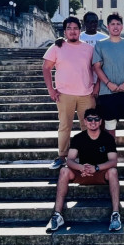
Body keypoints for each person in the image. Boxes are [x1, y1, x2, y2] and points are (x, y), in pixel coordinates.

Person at [46, 108, 121, 232]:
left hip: (100, 173)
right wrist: (81, 167)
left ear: (101, 121)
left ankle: (115, 214)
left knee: (113, 171)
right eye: (90, 119)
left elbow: (113, 161)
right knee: (64, 171)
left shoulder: (107, 138)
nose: (93, 122)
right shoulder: (78, 138)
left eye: (96, 119)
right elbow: (69, 160)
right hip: (83, 173)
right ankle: (57, 215)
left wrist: (96, 168)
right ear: (85, 121)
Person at [42, 16, 97, 170]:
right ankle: (61, 156)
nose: (72, 31)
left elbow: (97, 69)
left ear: (80, 30)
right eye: (69, 28)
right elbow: (46, 68)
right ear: (64, 31)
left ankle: (88, 156)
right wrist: (50, 89)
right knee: (65, 126)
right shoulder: (56, 47)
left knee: (88, 126)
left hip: (86, 93)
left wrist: (97, 86)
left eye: (75, 28)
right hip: (64, 94)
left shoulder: (89, 49)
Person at [92, 12, 124, 166]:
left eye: (118, 24)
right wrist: (108, 83)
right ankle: (111, 155)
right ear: (108, 27)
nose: (115, 27)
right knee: (109, 124)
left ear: (122, 26)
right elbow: (97, 67)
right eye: (112, 24)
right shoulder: (100, 45)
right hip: (108, 91)